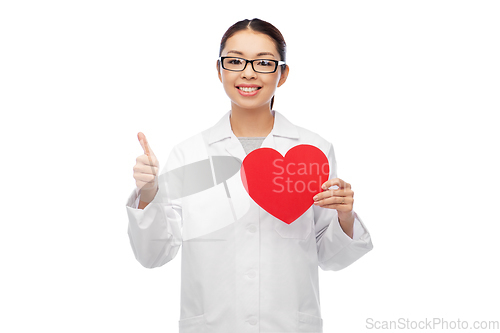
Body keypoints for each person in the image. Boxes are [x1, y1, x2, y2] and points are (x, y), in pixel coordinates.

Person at [126, 18, 373, 333]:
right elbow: (153, 254)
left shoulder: (314, 150)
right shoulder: (191, 154)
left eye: (264, 62)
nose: (248, 72)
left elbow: (331, 257)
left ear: (282, 74)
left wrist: (345, 215)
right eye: (235, 60)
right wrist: (149, 195)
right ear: (219, 70)